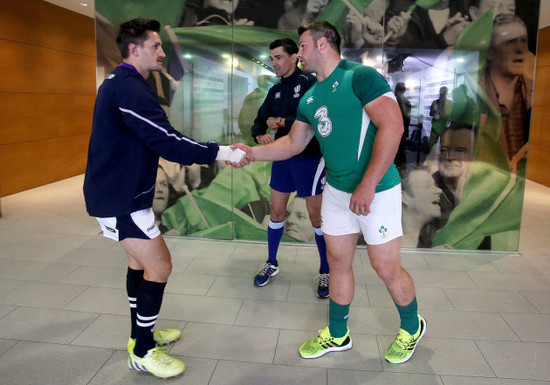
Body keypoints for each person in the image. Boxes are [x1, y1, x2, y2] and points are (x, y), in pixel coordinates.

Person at [233, 21, 425, 364]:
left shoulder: (361, 77)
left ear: (323, 44)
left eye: (303, 46)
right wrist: (252, 152)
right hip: (337, 191)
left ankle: (411, 327)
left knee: (385, 267)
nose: (299, 53)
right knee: (338, 263)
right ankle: (338, 334)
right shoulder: (310, 97)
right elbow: (293, 143)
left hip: (377, 189)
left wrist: (367, 184)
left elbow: (393, 126)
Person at [83, 18, 244, 379]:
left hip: (120, 192)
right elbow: (167, 141)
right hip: (119, 198)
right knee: (161, 265)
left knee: (140, 265)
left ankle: (139, 334)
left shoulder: (122, 82)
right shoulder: (129, 88)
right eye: (155, 46)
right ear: (134, 49)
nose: (161, 51)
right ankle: (142, 351)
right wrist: (223, 152)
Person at [250, 37, 329, 298]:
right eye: (271, 58)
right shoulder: (275, 91)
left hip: (309, 159)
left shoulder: (309, 84)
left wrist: (283, 120)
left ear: (294, 56)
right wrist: (259, 134)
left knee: (316, 218)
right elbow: (260, 121)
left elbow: (316, 117)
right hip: (283, 159)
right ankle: (271, 264)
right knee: (276, 212)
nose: (274, 63)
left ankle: (326, 271)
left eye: (279, 57)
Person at [480, 14, 532, 161]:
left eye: (523, 41)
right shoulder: (473, 96)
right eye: (509, 42)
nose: (520, 49)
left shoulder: (537, 96)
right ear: (489, 52)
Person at [402, 166, 443, 247]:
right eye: (427, 186)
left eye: (435, 185)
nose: (439, 190)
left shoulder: (440, 237)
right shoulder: (386, 242)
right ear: (405, 198)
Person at [394, 82, 411, 176]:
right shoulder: (396, 101)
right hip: (395, 130)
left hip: (401, 130)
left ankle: (401, 169)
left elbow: (407, 116)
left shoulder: (405, 102)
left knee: (400, 150)